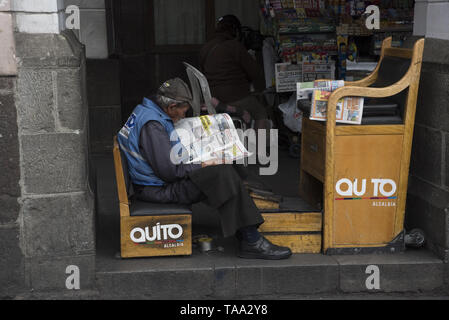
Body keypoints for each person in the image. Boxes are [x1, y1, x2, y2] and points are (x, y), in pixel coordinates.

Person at [118, 78, 292, 260]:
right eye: (182, 112)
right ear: (171, 107)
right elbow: (170, 172)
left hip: (159, 181)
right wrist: (203, 164)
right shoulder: (152, 126)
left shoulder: (150, 110)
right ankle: (251, 240)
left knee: (227, 162)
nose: (183, 117)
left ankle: (244, 224)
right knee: (221, 173)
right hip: (157, 190)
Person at [199, 14, 271, 131]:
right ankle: (259, 148)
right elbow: (255, 73)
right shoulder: (235, 46)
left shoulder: (206, 47)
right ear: (235, 31)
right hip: (235, 98)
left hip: (212, 97)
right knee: (260, 112)